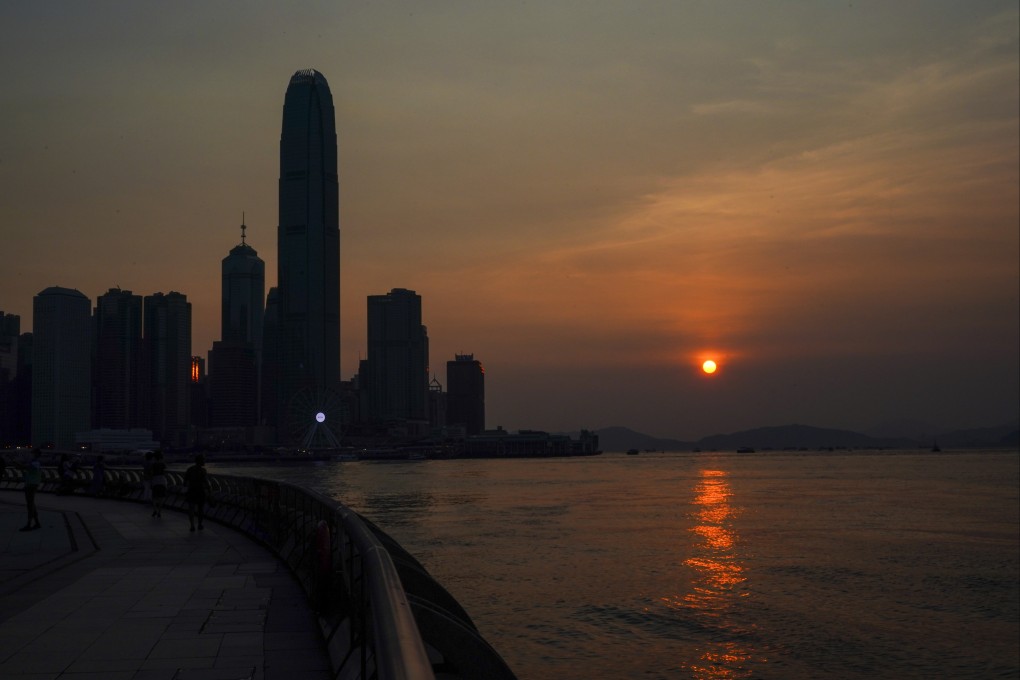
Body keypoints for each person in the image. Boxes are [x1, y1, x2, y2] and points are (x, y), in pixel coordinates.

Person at [183, 454, 210, 532]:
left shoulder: (190, 469)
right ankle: (200, 524)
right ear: (200, 461)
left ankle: (192, 525)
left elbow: (185, 482)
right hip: (200, 491)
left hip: (191, 491)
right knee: (200, 509)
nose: (204, 462)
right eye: (203, 460)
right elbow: (206, 482)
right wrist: (209, 490)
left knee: (191, 509)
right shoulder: (203, 471)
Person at [19, 448, 42, 531]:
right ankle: (37, 522)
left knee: (30, 504)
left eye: (32, 453)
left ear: (36, 454)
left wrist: (17, 463)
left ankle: (29, 524)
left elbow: (26, 467)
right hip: (31, 484)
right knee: (31, 503)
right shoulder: (34, 462)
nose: (31, 454)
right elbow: (27, 469)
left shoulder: (36, 462)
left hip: (31, 485)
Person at [150, 451, 167, 518]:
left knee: (154, 497)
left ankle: (155, 510)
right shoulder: (163, 464)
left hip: (155, 481)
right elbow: (165, 473)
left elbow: (151, 474)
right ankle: (159, 512)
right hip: (162, 481)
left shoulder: (153, 465)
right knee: (161, 497)